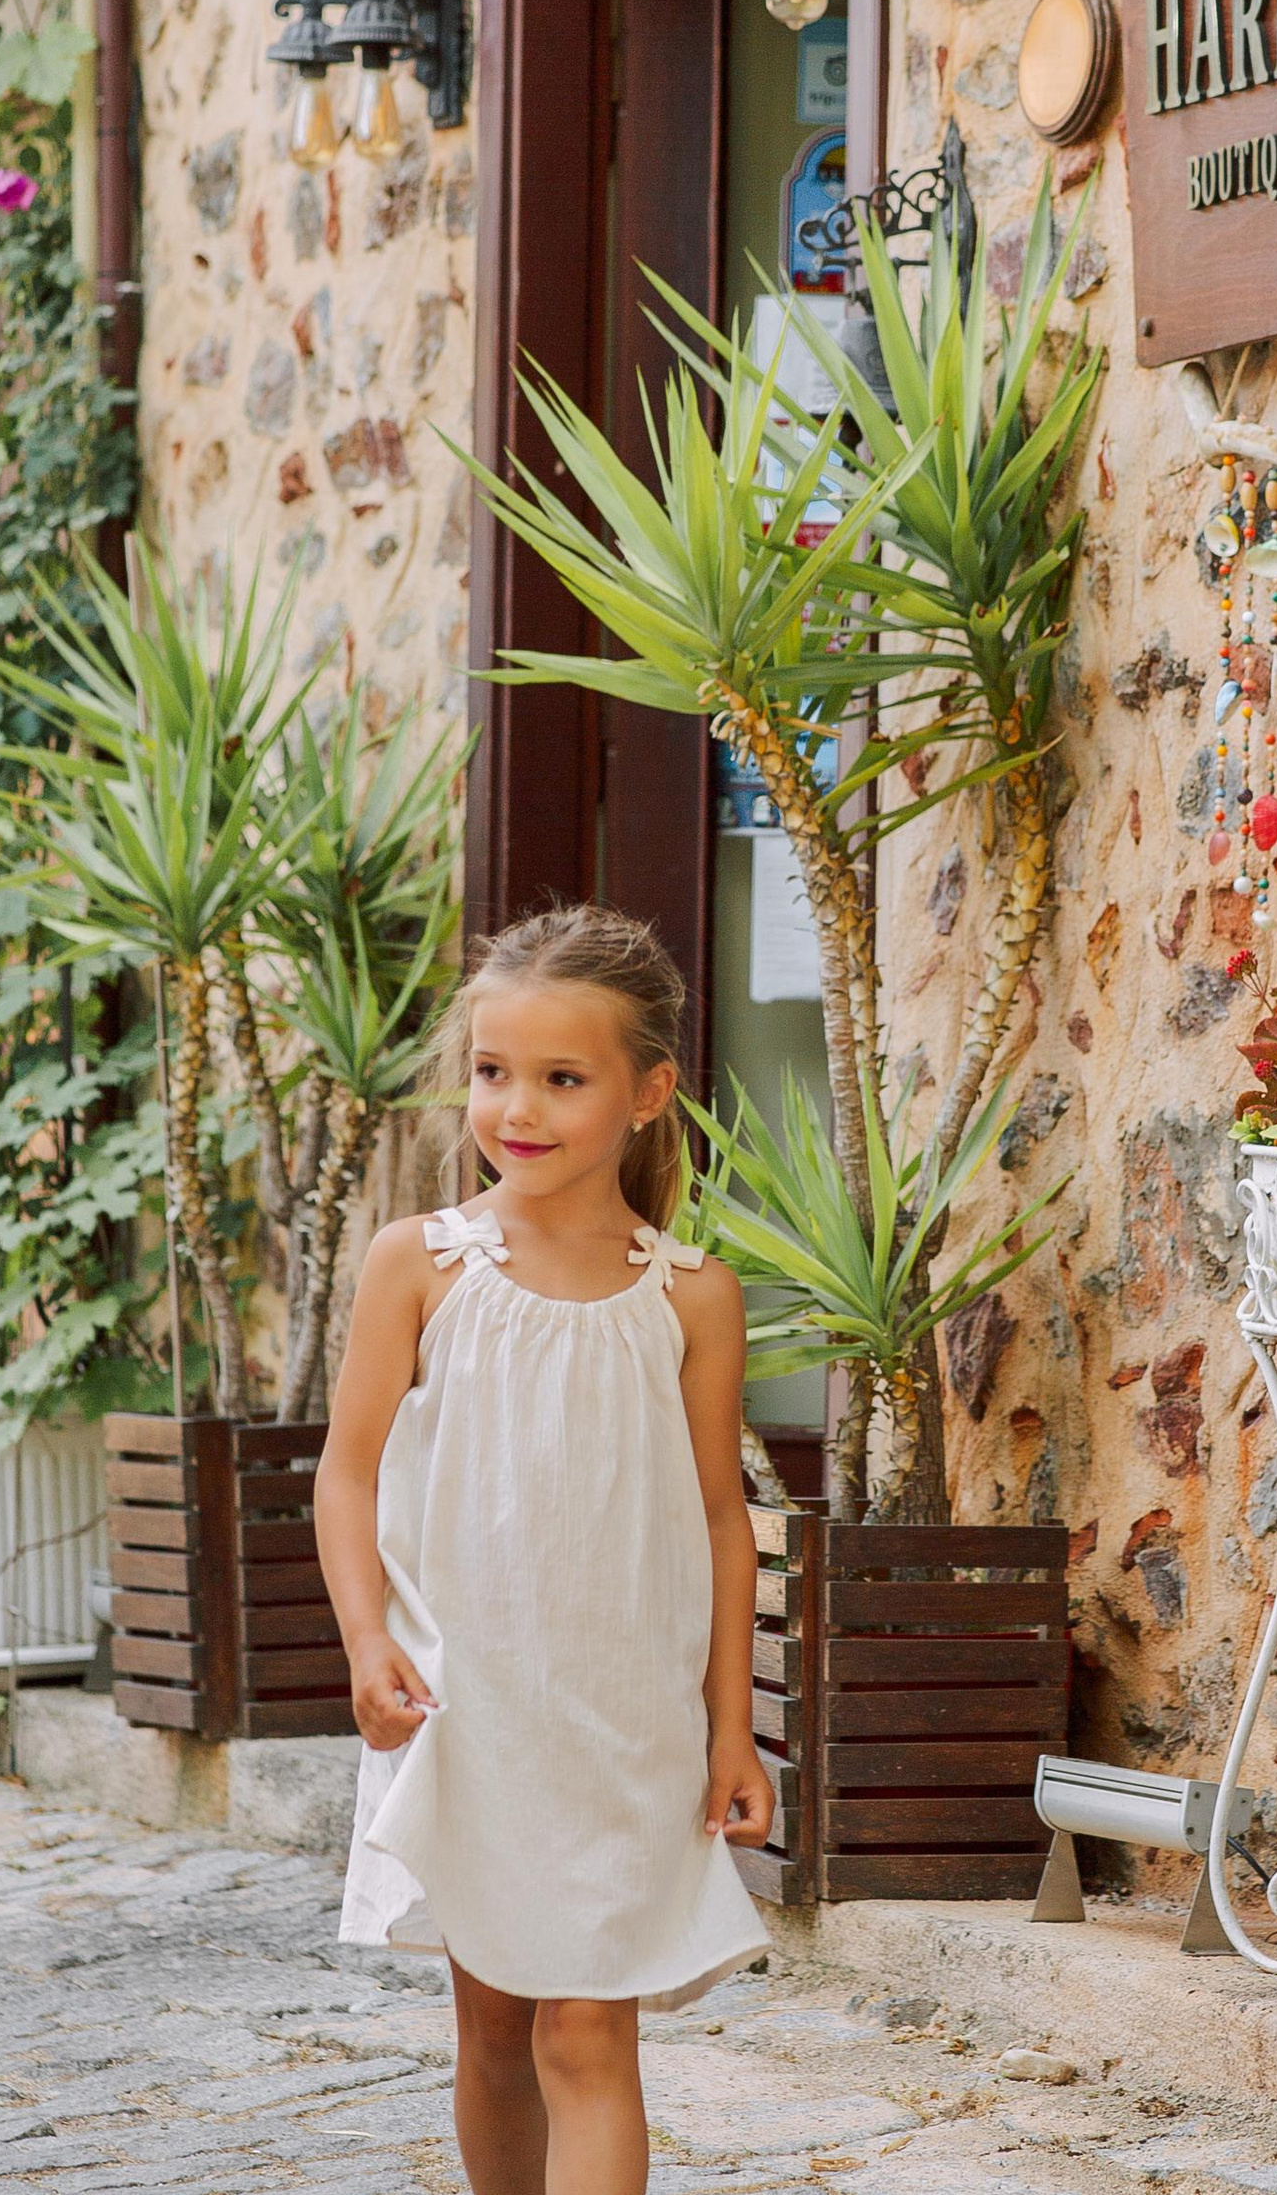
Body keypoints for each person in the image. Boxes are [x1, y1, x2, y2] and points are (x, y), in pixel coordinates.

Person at [316, 904, 773, 2193]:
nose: (517, 1108)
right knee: (496, 2026)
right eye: (492, 1071)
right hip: (472, 1707)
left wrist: (731, 1730)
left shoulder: (692, 1294)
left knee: (586, 2030)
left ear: (648, 1093)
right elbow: (347, 1474)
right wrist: (366, 1641)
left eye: (562, 1079)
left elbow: (721, 1521)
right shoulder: (420, 1266)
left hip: (627, 1719)